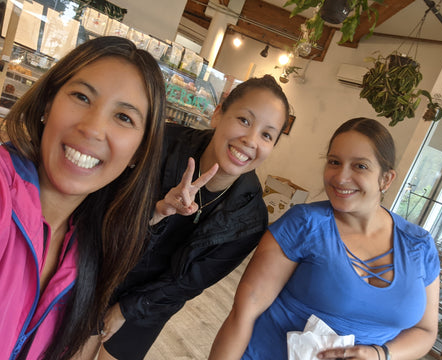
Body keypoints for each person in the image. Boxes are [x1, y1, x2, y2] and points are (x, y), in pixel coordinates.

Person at [89, 74, 291, 360]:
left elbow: (189, 282)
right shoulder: (161, 144)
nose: (250, 139)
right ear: (218, 114)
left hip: (154, 301)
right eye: (244, 120)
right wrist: (157, 211)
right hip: (102, 269)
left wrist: (126, 309)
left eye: (267, 135)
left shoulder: (250, 219)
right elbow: (104, 213)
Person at [209, 117, 441, 360]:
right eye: (334, 162)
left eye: (360, 166)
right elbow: (242, 314)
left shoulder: (419, 246)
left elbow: (425, 331)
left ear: (386, 179)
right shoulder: (303, 224)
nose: (341, 177)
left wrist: (380, 354)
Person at [0, 36, 168, 359]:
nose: (92, 128)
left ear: (139, 152)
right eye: (81, 96)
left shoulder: (90, 249)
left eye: (124, 118)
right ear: (48, 103)